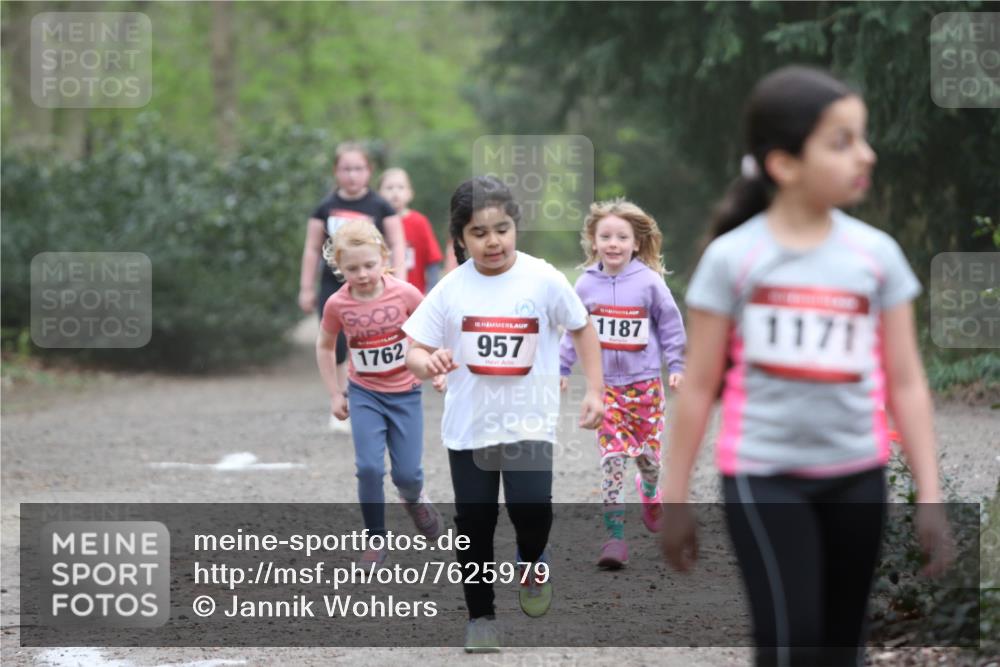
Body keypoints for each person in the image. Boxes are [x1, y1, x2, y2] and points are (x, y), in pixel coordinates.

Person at [659, 66, 953, 666]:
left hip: (857, 477)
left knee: (842, 648)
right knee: (790, 642)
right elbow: (698, 390)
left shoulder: (876, 257)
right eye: (841, 142)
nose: (865, 155)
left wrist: (929, 493)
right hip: (763, 477)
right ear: (784, 164)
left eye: (862, 138)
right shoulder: (733, 259)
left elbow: (906, 382)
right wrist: (675, 498)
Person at [402, 175, 604, 653]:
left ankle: (532, 558)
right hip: (469, 428)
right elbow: (414, 348)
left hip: (529, 422)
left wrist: (594, 389)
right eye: (478, 232)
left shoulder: (544, 278)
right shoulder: (451, 288)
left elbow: (582, 328)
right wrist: (426, 361)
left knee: (533, 511)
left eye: (502, 228)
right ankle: (481, 616)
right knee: (474, 524)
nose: (492, 241)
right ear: (460, 237)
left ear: (516, 227)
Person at [558, 198, 686, 569]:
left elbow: (671, 326)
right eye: (606, 236)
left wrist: (676, 365)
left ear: (636, 242)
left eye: (622, 237)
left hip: (645, 387)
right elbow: (573, 331)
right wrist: (562, 369)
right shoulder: (584, 285)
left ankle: (649, 492)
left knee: (648, 460)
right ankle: (614, 538)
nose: (613, 244)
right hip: (606, 391)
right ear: (593, 241)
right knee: (612, 460)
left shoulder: (649, 283)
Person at [316, 218, 443, 565]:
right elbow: (326, 346)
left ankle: (414, 498)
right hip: (364, 394)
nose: (362, 274)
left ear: (384, 257)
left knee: (407, 474)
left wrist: (438, 368)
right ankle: (374, 540)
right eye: (352, 268)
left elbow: (431, 330)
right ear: (339, 267)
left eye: (369, 265)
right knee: (369, 468)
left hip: (406, 392)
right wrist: (334, 393)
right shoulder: (337, 305)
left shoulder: (405, 293)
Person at [298, 142, 407, 434]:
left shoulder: (380, 206)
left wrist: (400, 279)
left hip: (375, 287)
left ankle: (375, 400)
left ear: (369, 171)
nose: (352, 175)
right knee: (337, 344)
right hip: (333, 287)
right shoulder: (324, 207)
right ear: (336, 171)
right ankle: (341, 401)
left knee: (369, 341)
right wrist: (306, 287)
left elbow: (397, 243)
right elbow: (311, 249)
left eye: (358, 168)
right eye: (346, 169)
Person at [378, 167, 445, 293]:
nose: (395, 192)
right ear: (379, 194)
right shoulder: (376, 222)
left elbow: (433, 260)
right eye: (389, 188)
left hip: (414, 292)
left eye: (401, 187)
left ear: (410, 193)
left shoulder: (419, 222)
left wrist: (431, 292)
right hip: (381, 294)